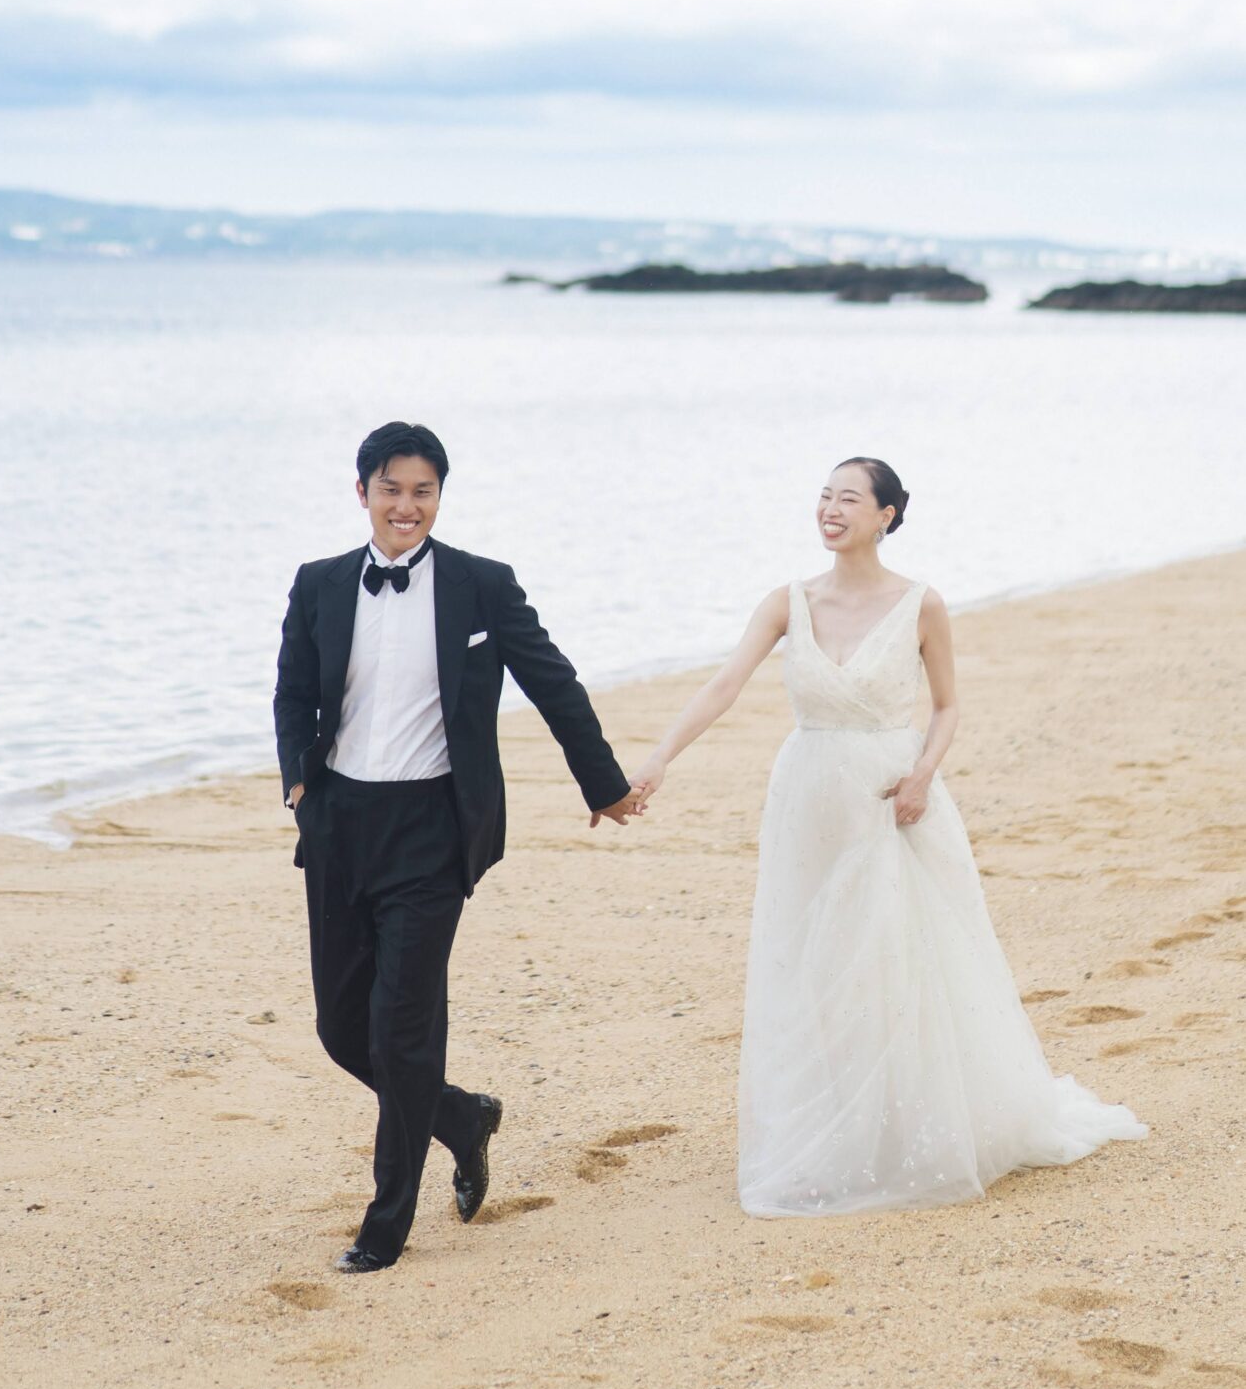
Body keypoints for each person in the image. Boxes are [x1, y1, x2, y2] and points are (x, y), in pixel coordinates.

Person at [630, 456, 1147, 1215]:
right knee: (814, 966)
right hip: (807, 798)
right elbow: (723, 685)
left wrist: (922, 776)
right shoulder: (787, 602)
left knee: (897, 960)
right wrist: (658, 758)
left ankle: (912, 1126)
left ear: (888, 516)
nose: (831, 509)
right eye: (824, 497)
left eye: (849, 499)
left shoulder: (920, 604)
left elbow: (946, 707)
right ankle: (829, 1135)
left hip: (890, 797)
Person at [274, 420, 639, 1271]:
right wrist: (298, 779)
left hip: (435, 833)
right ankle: (461, 1118)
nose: (408, 506)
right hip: (339, 828)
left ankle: (385, 1225)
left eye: (423, 490)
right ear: (361, 491)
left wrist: (605, 784)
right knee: (341, 1029)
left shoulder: (482, 586)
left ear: (440, 496)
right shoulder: (319, 583)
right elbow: (293, 691)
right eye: (392, 489)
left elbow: (553, 682)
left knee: (402, 1030)